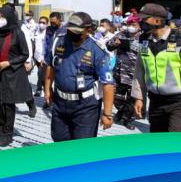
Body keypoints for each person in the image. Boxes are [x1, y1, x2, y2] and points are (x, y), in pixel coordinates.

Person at [131, 3, 181, 133]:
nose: (140, 22)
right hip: (155, 102)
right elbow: (139, 71)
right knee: (158, 145)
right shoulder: (144, 41)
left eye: (144, 19)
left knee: (177, 146)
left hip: (178, 103)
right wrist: (139, 97)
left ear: (157, 21)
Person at [44, 12, 115, 142]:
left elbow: (108, 84)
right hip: (60, 103)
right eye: (69, 30)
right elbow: (51, 66)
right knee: (59, 140)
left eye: (76, 32)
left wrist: (107, 114)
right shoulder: (59, 41)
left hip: (85, 107)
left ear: (88, 30)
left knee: (82, 146)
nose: (71, 34)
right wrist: (47, 90)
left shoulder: (97, 49)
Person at [0, 5, 33, 147]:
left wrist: (9, 62)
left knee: (8, 103)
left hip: (12, 72)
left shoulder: (17, 32)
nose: (0, 19)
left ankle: (8, 133)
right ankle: (1, 124)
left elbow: (24, 54)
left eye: (3, 16)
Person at [106, 15, 141, 129]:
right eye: (129, 25)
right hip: (119, 73)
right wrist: (114, 44)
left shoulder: (144, 37)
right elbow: (108, 45)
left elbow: (147, 51)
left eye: (133, 25)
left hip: (135, 75)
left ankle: (128, 119)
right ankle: (121, 111)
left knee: (131, 99)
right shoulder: (121, 34)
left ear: (139, 26)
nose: (131, 27)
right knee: (117, 98)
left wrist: (131, 45)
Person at [33, 16, 48, 97]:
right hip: (35, 56)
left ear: (47, 24)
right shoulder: (36, 31)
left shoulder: (47, 33)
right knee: (40, 74)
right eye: (40, 22)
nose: (41, 24)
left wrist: (43, 58)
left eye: (43, 23)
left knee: (40, 73)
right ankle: (43, 88)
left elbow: (46, 47)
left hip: (43, 58)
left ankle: (41, 90)